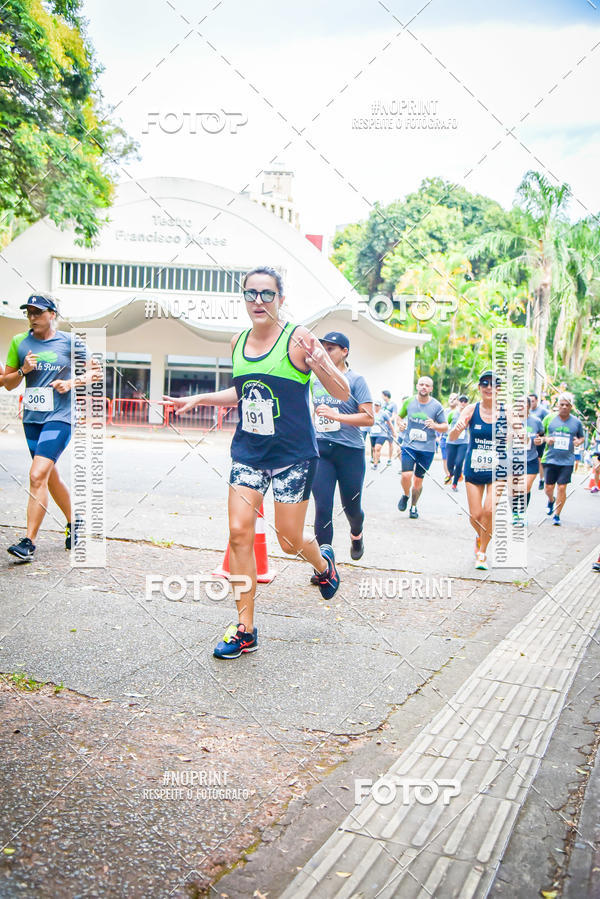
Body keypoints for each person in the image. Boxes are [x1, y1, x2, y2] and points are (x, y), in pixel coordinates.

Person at [164, 266, 350, 660]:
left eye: (267, 294)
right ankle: (245, 628)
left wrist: (320, 363)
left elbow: (342, 390)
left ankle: (323, 563)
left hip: (293, 457)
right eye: (251, 294)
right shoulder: (237, 341)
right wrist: (198, 399)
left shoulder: (297, 338)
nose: (259, 301)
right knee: (238, 533)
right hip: (249, 452)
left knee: (287, 540)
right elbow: (242, 391)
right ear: (244, 298)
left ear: (281, 299)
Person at [3, 294, 97, 562]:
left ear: (52, 314)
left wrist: (71, 383)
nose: (33, 316)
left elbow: (95, 372)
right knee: (47, 475)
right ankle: (75, 521)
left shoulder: (69, 341)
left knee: (36, 474)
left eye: (38, 311)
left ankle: (28, 542)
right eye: (29, 312)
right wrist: (22, 370)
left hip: (61, 416)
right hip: (32, 419)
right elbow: (8, 383)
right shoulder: (19, 342)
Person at [309, 331, 373, 569]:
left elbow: (369, 418)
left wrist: (337, 415)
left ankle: (357, 534)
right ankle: (324, 566)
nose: (326, 352)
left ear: (344, 351)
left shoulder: (356, 380)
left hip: (350, 452)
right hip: (321, 449)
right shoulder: (315, 379)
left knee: (351, 508)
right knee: (323, 507)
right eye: (323, 347)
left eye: (331, 348)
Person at [449, 370, 507, 570]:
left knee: (489, 511)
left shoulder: (507, 412)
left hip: (498, 470)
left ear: (499, 389)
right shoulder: (471, 410)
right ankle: (481, 536)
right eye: (485, 384)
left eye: (493, 384)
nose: (489, 388)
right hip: (474, 468)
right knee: (475, 516)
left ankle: (482, 554)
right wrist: (457, 428)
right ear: (480, 388)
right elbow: (453, 438)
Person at [397, 376, 447, 519]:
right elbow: (399, 417)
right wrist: (400, 424)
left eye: (427, 385)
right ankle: (406, 495)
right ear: (417, 386)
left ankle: (413, 506)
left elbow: (445, 427)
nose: (424, 387)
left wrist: (435, 426)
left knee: (418, 480)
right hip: (409, 445)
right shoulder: (409, 402)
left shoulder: (436, 406)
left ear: (431, 389)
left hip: (427, 449)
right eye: (421, 384)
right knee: (406, 475)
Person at [541, 392, 585, 525]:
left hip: (567, 460)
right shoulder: (549, 419)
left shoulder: (576, 422)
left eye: (567, 405)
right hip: (550, 459)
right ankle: (551, 500)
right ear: (557, 406)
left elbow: (582, 437)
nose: (564, 407)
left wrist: (579, 442)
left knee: (561, 487)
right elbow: (540, 435)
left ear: (571, 406)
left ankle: (557, 515)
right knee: (548, 488)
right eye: (562, 404)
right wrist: (546, 439)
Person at [446, 394, 469, 491]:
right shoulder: (452, 413)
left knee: (459, 463)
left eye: (465, 401)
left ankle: (454, 484)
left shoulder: (469, 414)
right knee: (450, 464)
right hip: (451, 441)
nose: (463, 403)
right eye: (461, 401)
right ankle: (452, 474)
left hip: (463, 442)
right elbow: (446, 425)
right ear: (458, 402)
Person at [529, 393, 550, 489]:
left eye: (533, 401)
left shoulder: (543, 411)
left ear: (537, 401)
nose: (531, 403)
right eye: (529, 401)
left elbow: (548, 425)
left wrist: (542, 436)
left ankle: (541, 479)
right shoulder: (526, 410)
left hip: (538, 438)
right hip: (527, 440)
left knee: (539, 459)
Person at [369, 400, 396, 469]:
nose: (376, 407)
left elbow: (389, 423)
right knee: (374, 449)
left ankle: (375, 465)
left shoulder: (384, 414)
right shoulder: (371, 413)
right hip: (373, 434)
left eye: (378, 406)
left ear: (380, 407)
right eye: (375, 405)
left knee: (378, 448)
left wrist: (393, 432)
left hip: (382, 434)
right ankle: (377, 459)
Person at [442, 393, 459, 482]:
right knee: (445, 459)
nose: (452, 400)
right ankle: (448, 476)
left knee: (456, 460)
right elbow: (440, 424)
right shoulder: (444, 411)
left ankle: (455, 475)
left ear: (458, 401)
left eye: (454, 398)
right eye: (450, 398)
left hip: (456, 440)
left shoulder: (460, 412)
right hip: (445, 438)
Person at [381, 390, 397, 466]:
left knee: (390, 443)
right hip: (382, 428)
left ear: (386, 396)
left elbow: (394, 416)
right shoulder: (383, 405)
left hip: (390, 427)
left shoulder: (393, 405)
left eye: (382, 395)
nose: (381, 397)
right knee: (379, 443)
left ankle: (389, 459)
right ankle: (376, 459)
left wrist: (388, 421)